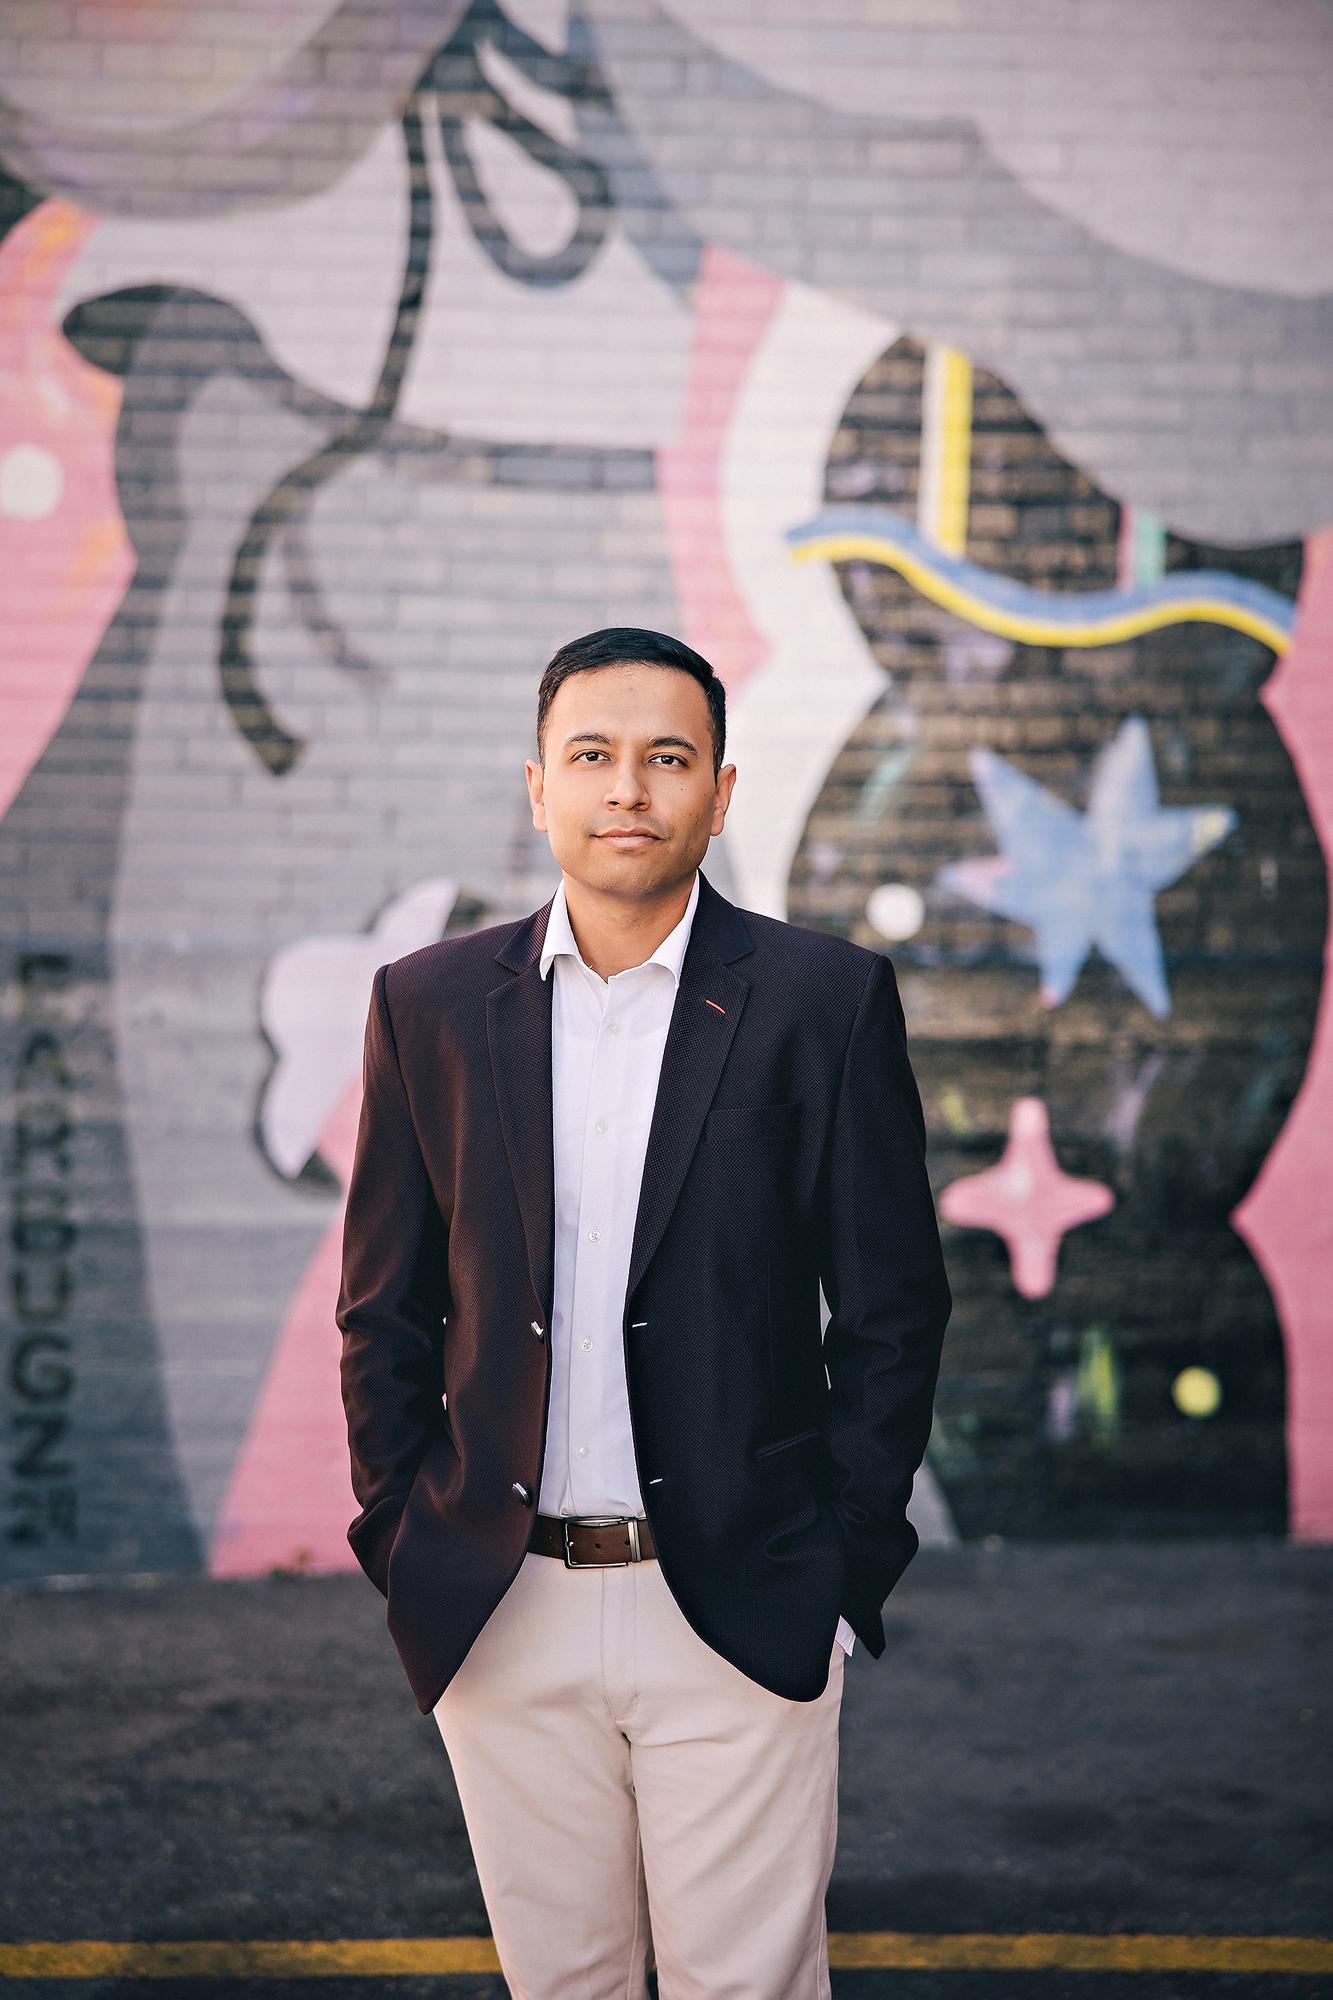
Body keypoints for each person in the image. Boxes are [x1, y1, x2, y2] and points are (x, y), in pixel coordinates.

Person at [337, 626, 952, 1999]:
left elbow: (891, 1307)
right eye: (593, 757)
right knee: (564, 1986)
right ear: (537, 786)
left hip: (740, 1595)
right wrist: (404, 1536)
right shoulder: (428, 1006)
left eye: (666, 758)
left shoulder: (820, 1000)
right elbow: (384, 1309)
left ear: (719, 793)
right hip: (505, 1604)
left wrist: (841, 1563)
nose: (629, 789)